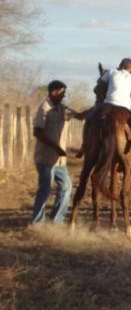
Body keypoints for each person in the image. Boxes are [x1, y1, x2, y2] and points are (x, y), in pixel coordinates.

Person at [32, 80, 81, 224]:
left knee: (66, 186)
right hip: (46, 159)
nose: (64, 95)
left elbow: (80, 116)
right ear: (54, 92)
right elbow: (37, 133)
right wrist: (56, 147)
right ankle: (37, 223)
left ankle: (56, 221)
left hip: (60, 160)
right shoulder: (44, 109)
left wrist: (99, 107)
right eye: (62, 92)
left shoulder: (62, 108)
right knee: (45, 189)